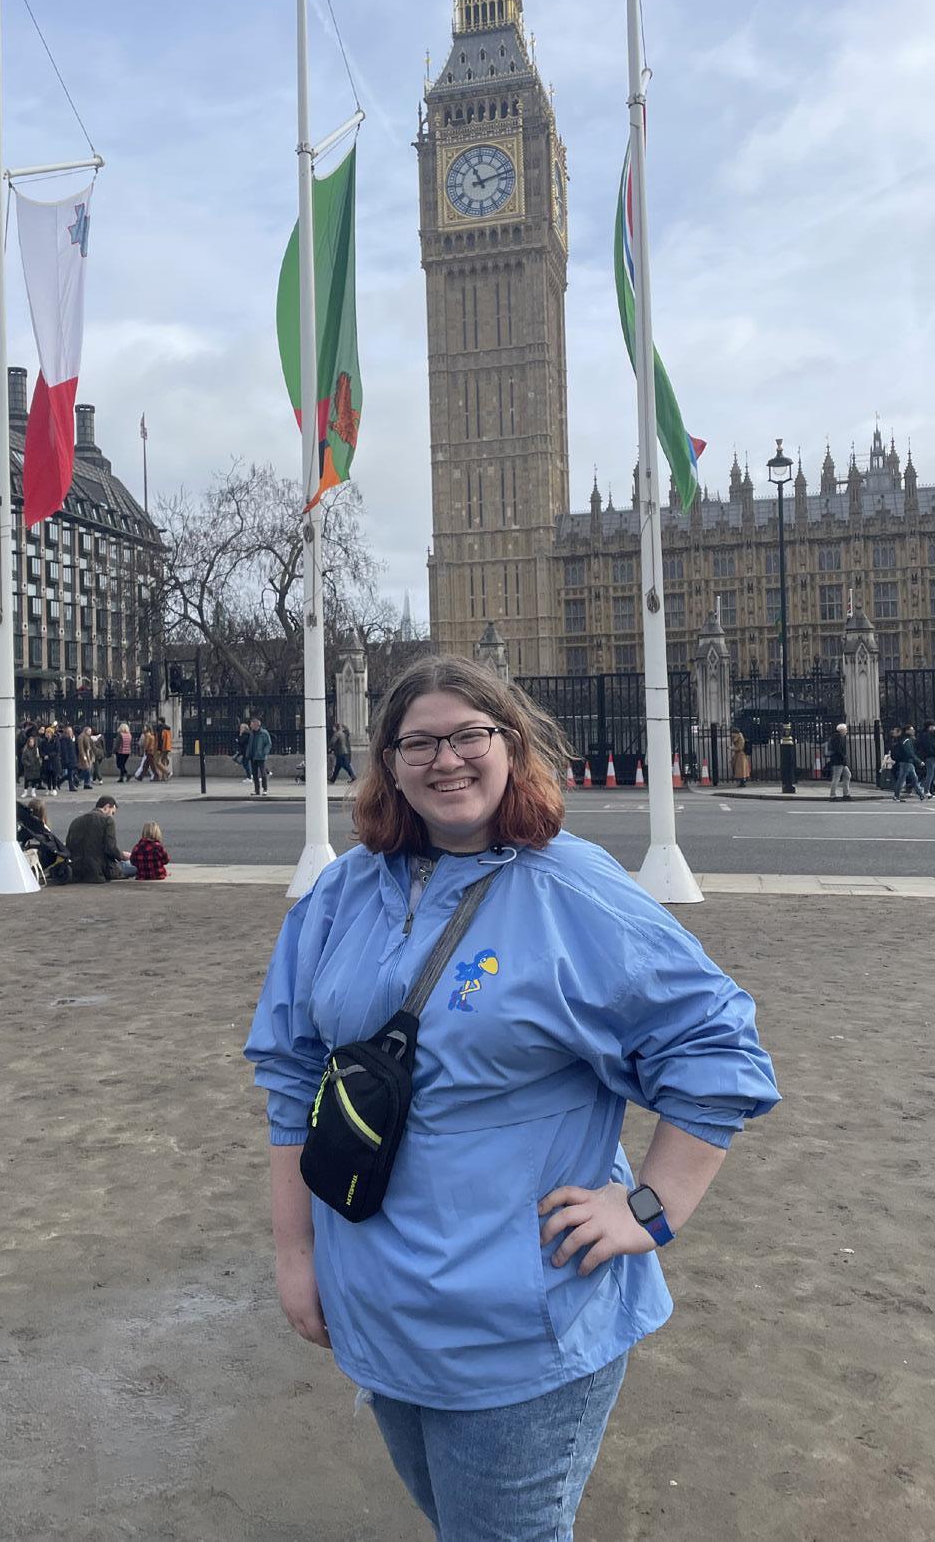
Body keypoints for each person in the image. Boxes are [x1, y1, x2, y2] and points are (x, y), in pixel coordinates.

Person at [245, 656, 779, 1542]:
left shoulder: (573, 888)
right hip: (377, 1305)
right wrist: (297, 1256)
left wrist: (649, 1207)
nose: (446, 760)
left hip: (518, 1325)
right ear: (389, 763)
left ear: (511, 745)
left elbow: (717, 1045)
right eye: (419, 743)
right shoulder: (345, 891)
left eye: (469, 736)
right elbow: (293, 1075)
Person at [64, 794, 136, 882]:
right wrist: (122, 856)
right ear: (107, 807)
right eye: (112, 812)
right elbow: (110, 848)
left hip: (77, 871)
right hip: (100, 870)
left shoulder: (76, 821)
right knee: (138, 865)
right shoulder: (107, 820)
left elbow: (69, 847)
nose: (112, 816)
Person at [891, 724, 926, 803]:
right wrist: (919, 761)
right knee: (902, 779)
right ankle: (896, 796)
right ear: (907, 731)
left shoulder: (907, 739)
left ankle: (921, 795)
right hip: (906, 762)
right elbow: (909, 752)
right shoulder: (906, 740)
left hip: (908, 762)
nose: (913, 731)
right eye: (911, 729)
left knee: (914, 779)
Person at [246, 714, 271, 797]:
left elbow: (268, 744)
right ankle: (256, 790)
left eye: (251, 724)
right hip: (252, 756)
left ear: (256, 725)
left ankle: (265, 789)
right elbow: (250, 744)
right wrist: (248, 753)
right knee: (254, 774)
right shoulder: (252, 733)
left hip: (260, 756)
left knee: (263, 773)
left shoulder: (264, 733)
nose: (250, 726)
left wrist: (264, 752)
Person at [827, 721, 852, 801]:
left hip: (840, 761)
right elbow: (838, 749)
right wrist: (844, 756)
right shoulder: (837, 737)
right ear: (842, 730)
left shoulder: (836, 736)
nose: (846, 731)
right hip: (838, 760)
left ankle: (846, 794)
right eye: (845, 730)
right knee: (836, 778)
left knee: (847, 775)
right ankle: (832, 795)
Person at [919, 720, 935, 798]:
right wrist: (933, 753)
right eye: (933, 726)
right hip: (929, 756)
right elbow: (928, 747)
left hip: (931, 756)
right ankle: (926, 790)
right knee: (930, 774)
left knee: (933, 773)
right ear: (929, 727)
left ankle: (929, 789)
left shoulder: (929, 735)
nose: (934, 728)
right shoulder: (926, 735)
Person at [329, 719, 356, 783]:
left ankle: (354, 777)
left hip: (340, 752)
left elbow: (332, 742)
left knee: (346, 766)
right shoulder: (342, 733)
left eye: (333, 727)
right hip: (344, 751)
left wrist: (330, 748)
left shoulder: (337, 734)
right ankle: (333, 779)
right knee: (338, 767)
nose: (332, 729)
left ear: (335, 728)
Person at [20, 732, 43, 796]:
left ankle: (33, 791)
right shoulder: (26, 750)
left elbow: (38, 758)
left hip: (35, 767)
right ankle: (25, 791)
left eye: (32, 742)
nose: (31, 743)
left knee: (34, 780)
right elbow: (23, 759)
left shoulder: (36, 749)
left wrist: (39, 760)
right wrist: (28, 764)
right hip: (28, 768)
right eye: (30, 742)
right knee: (27, 780)